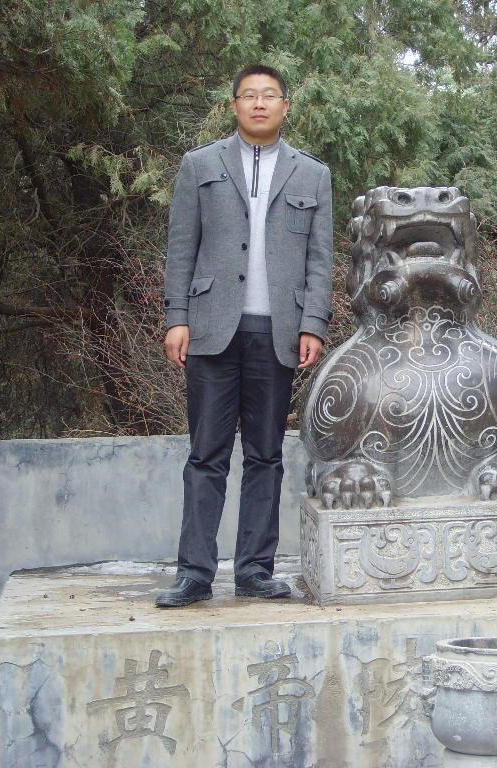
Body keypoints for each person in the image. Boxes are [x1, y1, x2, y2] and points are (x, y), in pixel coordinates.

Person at [155, 64, 333, 607]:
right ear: (234, 105)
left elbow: (320, 259)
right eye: (249, 95)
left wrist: (313, 323)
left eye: (269, 95)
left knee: (266, 455)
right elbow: (181, 248)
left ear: (285, 106)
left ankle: (255, 570)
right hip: (212, 328)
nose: (259, 103)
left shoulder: (312, 174)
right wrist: (177, 317)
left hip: (276, 332)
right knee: (206, 454)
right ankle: (194, 574)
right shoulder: (200, 165)